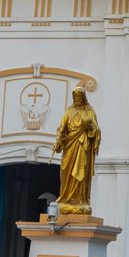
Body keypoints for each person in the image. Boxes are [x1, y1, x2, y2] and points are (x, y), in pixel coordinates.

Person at [53, 88, 102, 216]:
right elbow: (61, 129)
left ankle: (80, 200)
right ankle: (65, 199)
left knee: (81, 173)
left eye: (79, 97)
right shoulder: (69, 112)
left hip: (82, 147)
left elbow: (96, 131)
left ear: (84, 97)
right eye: (75, 97)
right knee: (66, 171)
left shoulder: (89, 112)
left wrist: (89, 126)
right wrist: (58, 141)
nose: (77, 100)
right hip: (70, 146)